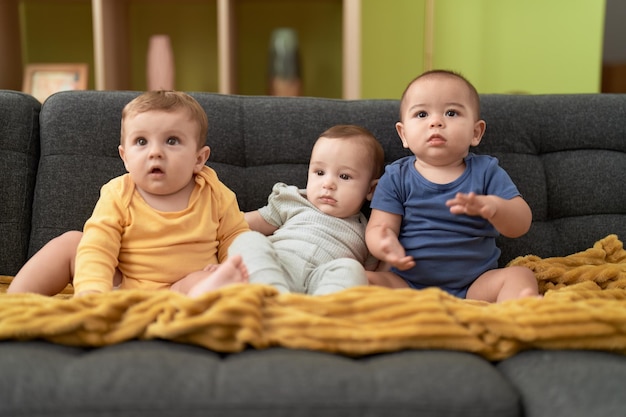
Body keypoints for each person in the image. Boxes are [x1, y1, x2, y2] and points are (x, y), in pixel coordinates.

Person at [8, 90, 249, 298]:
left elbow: (236, 237)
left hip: (182, 289)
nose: (155, 152)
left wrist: (231, 266)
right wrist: (92, 290)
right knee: (73, 242)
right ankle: (15, 301)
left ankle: (212, 293)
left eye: (172, 141)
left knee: (205, 281)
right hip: (123, 286)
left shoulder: (215, 193)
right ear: (125, 157)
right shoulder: (118, 193)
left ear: (199, 159)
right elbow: (99, 246)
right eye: (142, 141)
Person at [365, 70, 539, 302]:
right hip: (406, 285)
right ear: (403, 134)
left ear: (475, 133)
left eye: (451, 112)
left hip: (475, 287)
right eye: (422, 114)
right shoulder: (396, 176)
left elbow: (521, 223)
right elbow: (378, 228)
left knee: (521, 275)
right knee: (356, 276)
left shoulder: (486, 171)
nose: (436, 122)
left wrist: (496, 207)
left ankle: (512, 318)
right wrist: (384, 243)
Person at [229, 124, 385, 295]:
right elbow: (241, 223)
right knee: (247, 239)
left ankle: (316, 312)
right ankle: (273, 297)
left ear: (371, 190)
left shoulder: (370, 232)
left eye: (344, 176)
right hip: (276, 265)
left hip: (321, 281)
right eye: (319, 172)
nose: (328, 184)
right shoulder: (293, 200)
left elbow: (375, 275)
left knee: (352, 269)